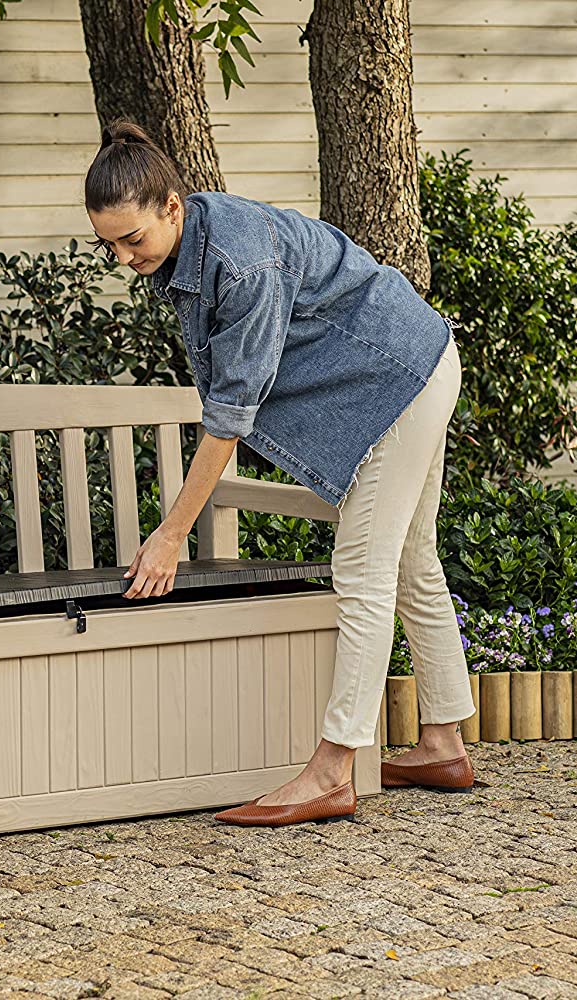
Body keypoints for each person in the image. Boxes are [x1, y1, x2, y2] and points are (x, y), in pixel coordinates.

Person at [85, 119, 477, 827]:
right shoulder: (190, 247)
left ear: (173, 206)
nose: (121, 257)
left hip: (397, 379)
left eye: (131, 240)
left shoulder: (239, 261)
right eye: (107, 243)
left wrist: (173, 533)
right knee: (413, 557)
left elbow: (229, 415)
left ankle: (332, 771)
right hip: (410, 363)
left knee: (361, 568)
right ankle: (443, 740)